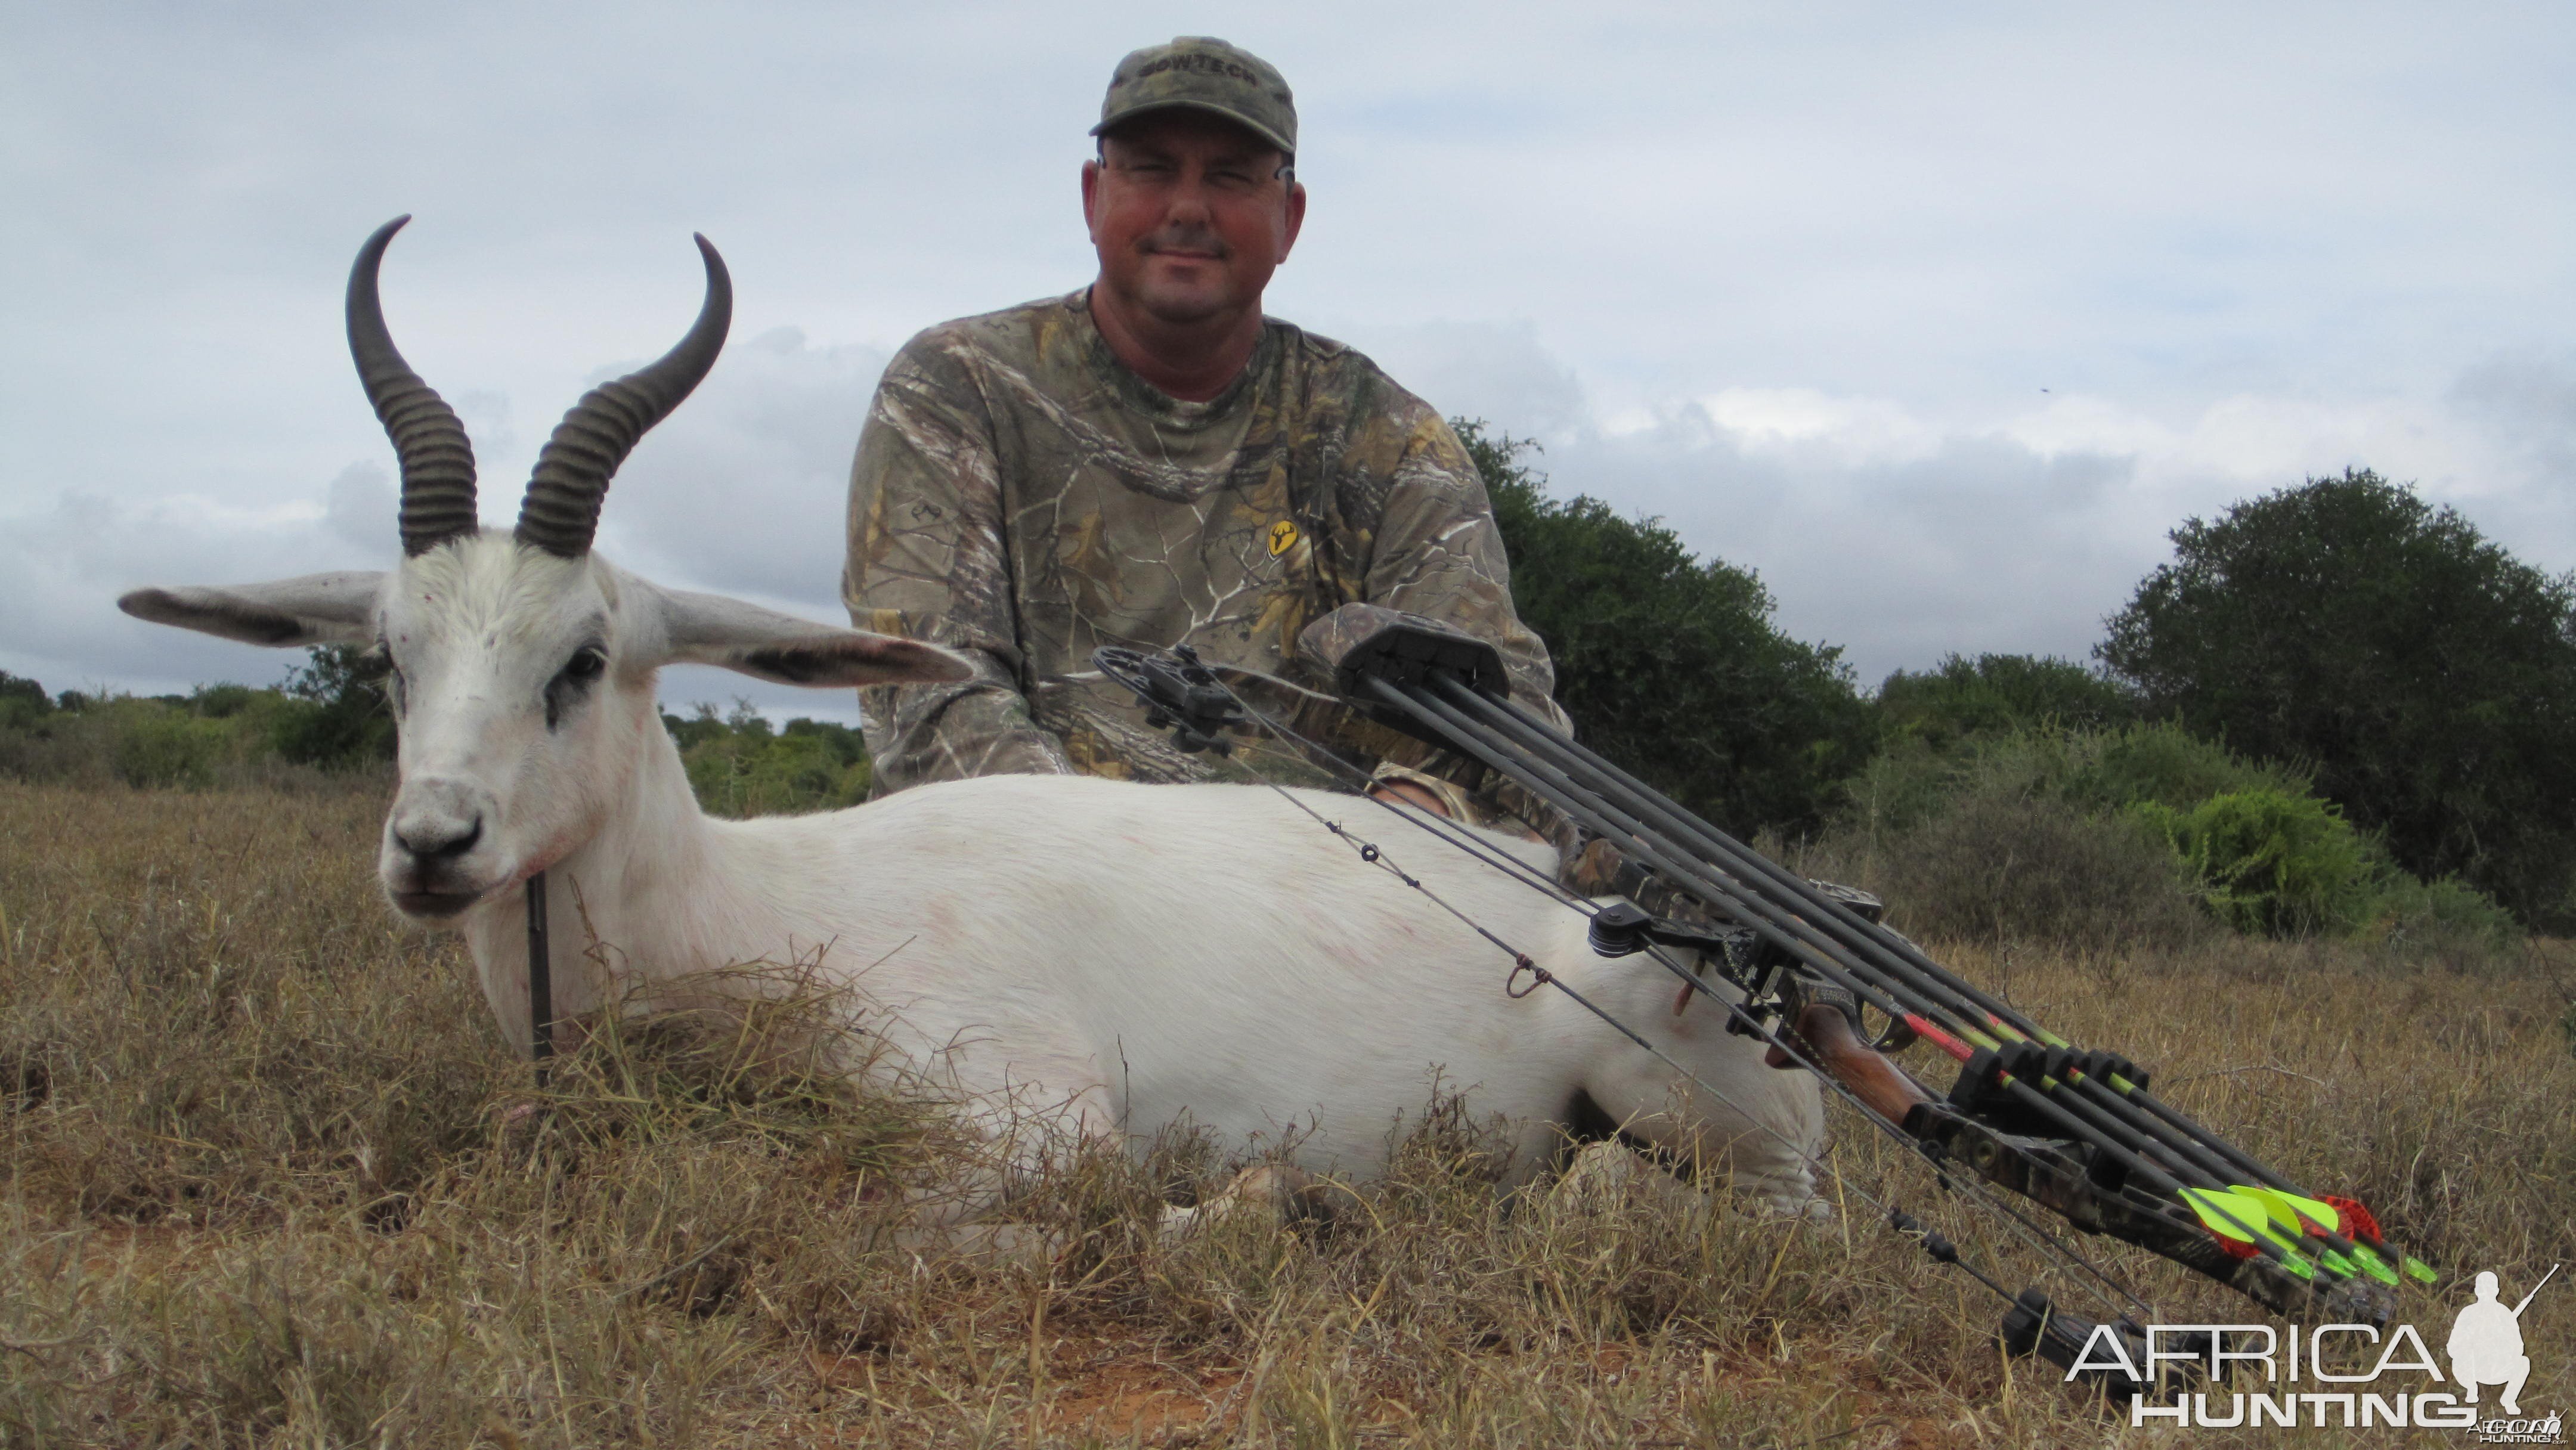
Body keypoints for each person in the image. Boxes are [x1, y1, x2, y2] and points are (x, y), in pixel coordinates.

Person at [842, 36, 1566, 828]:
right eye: (1152, 168)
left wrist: (1414, 814)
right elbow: (927, 695)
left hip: (1325, 895)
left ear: (1288, 219)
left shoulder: (1389, 438)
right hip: (1028, 881)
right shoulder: (957, 387)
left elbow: (1508, 704)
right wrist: (1120, 872)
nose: (1188, 208)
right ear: (1093, 197)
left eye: (1229, 176)